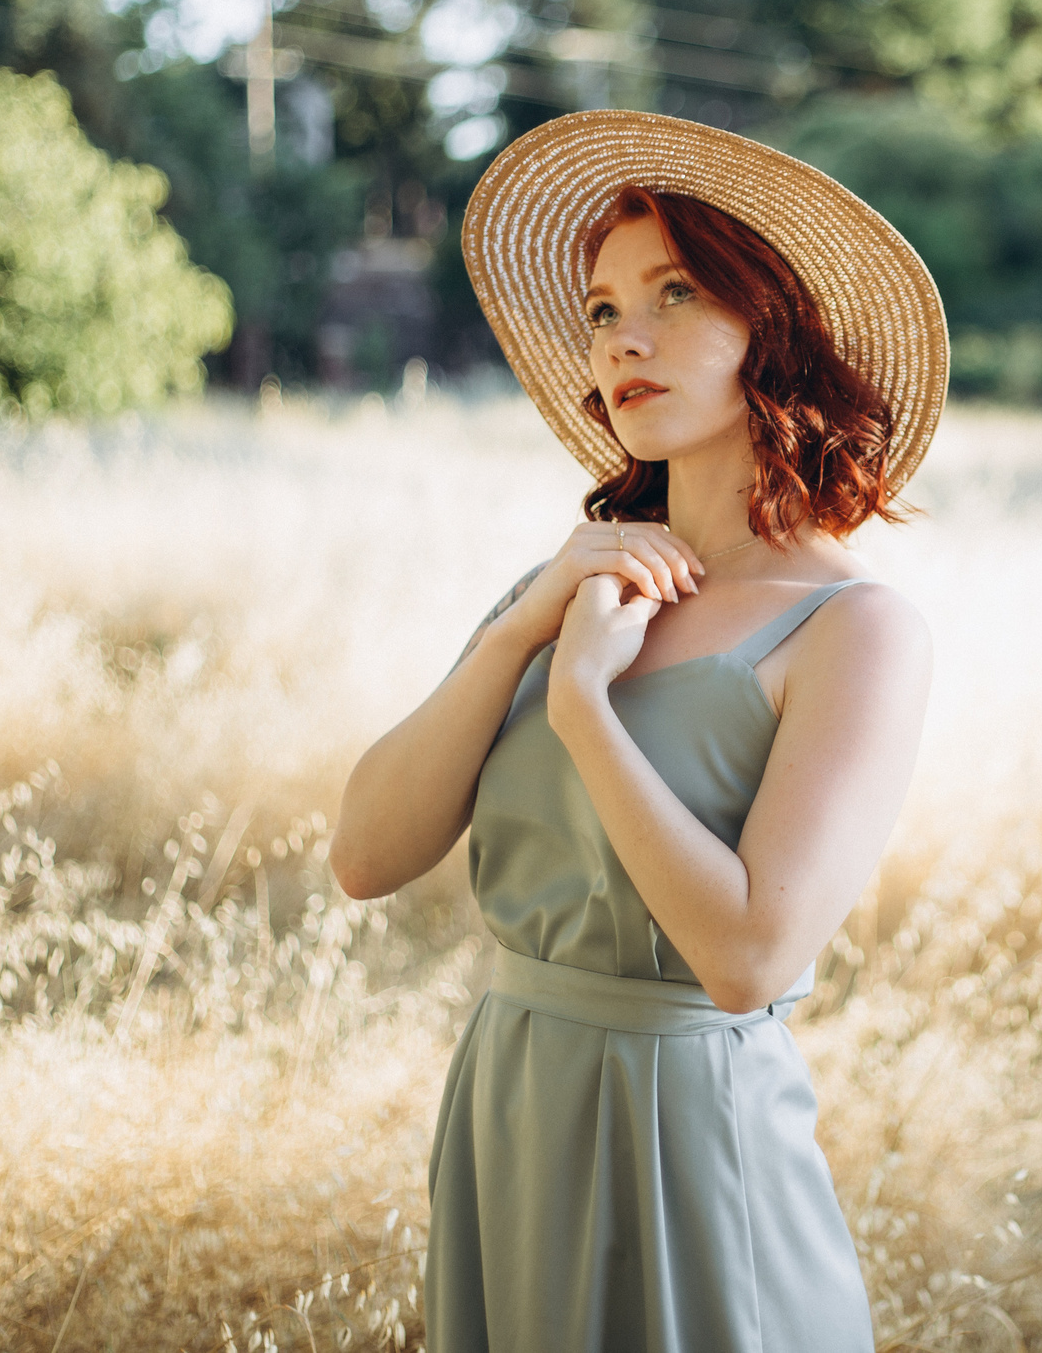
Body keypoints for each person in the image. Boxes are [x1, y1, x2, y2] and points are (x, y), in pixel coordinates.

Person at [328, 110, 949, 1352]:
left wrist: (583, 710)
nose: (627, 338)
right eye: (605, 311)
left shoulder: (854, 628)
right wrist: (523, 630)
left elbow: (750, 960)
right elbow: (364, 855)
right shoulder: (569, 591)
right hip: (512, 1109)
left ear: (772, 327)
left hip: (691, 1134)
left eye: (676, 293)